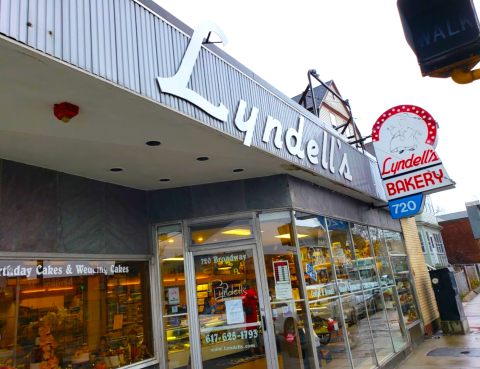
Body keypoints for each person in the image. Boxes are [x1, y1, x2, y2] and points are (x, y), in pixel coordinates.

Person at [241, 284, 264, 356]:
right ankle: (260, 348)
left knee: (249, 333)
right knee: (254, 331)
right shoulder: (254, 293)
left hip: (247, 315)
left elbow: (242, 303)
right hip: (254, 314)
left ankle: (252, 350)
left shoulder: (243, 294)